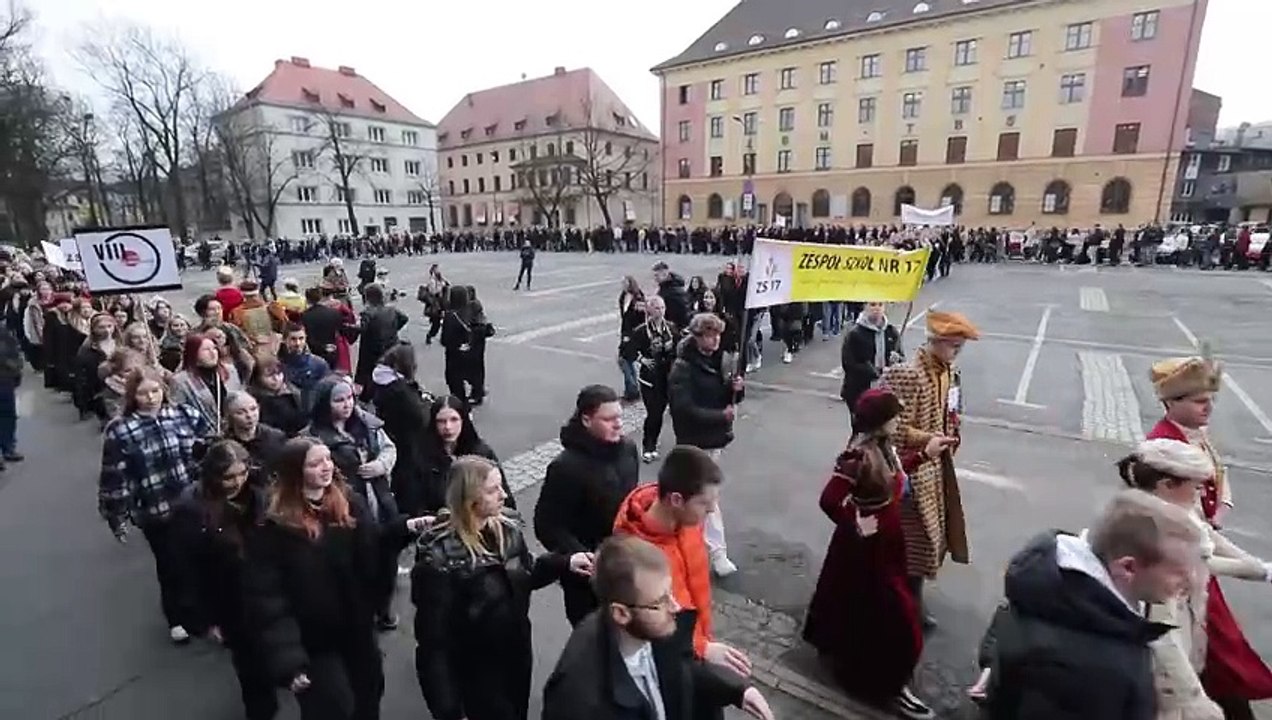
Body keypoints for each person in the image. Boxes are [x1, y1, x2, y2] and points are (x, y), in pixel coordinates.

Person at [983, 490, 1201, 720]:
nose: (1192, 583)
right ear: (1128, 568)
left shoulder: (1052, 586)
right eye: (1179, 573)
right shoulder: (1088, 668)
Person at [412, 455, 594, 720]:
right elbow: (432, 644)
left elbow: (525, 576)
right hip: (474, 666)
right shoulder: (439, 556)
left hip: (516, 651)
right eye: (492, 490)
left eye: (501, 486)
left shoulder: (507, 529)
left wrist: (564, 563)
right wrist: (448, 710)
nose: (504, 494)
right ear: (469, 496)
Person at [1116, 439, 1272, 720]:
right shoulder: (1155, 534)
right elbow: (1162, 637)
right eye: (1197, 486)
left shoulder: (1175, 510)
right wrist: (1195, 700)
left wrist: (1260, 567)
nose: (1202, 494)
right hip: (1165, 684)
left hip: (1187, 648)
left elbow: (1208, 539)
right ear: (1166, 485)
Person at [542, 535, 776, 720]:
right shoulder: (580, 699)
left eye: (670, 594)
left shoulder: (649, 626)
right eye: (659, 601)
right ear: (621, 613)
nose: (674, 607)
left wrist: (737, 690)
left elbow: (680, 670)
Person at [803, 389, 931, 718]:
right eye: (894, 417)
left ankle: (872, 669)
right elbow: (830, 500)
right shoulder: (856, 456)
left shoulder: (883, 448)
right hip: (867, 547)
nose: (898, 421)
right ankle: (886, 681)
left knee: (860, 605)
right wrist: (858, 524)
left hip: (888, 540)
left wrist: (923, 455)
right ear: (880, 422)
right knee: (895, 616)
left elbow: (890, 479)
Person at [243, 437, 384, 720]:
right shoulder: (275, 527)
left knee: (368, 694)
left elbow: (372, 555)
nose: (326, 468)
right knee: (333, 707)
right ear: (297, 472)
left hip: (356, 629)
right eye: (315, 463)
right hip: (313, 642)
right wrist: (289, 660)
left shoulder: (349, 505)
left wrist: (401, 531)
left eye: (328, 459)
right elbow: (268, 599)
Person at [613, 446, 751, 677]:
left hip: (697, 642)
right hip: (671, 661)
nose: (711, 511)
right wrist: (700, 647)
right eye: (704, 504)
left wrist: (704, 640)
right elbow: (651, 623)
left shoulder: (687, 521)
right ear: (676, 500)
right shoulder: (635, 554)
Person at [98, 367, 211, 643]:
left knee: (201, 559)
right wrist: (116, 515)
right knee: (171, 564)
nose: (150, 398)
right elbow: (114, 476)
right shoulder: (122, 430)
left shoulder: (183, 415)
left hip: (193, 503)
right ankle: (177, 617)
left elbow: (211, 445)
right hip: (156, 509)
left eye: (155, 391)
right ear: (132, 396)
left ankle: (205, 612)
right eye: (143, 393)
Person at [881, 310, 975, 629]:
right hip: (909, 474)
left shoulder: (949, 372)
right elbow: (891, 431)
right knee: (912, 546)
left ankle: (911, 604)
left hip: (936, 470)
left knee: (927, 547)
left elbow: (951, 412)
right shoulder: (908, 374)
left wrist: (952, 431)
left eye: (960, 348)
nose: (956, 353)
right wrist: (928, 440)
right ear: (935, 341)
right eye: (953, 346)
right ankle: (904, 610)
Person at [171, 440, 277, 720]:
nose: (236, 482)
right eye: (228, 477)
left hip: (267, 590)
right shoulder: (192, 509)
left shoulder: (259, 492)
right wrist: (205, 620)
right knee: (251, 665)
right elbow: (186, 570)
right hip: (230, 599)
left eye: (241, 474)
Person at [535, 385, 640, 625]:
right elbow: (547, 524)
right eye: (608, 419)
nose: (618, 425)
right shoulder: (566, 467)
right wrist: (580, 555)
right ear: (586, 420)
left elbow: (631, 500)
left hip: (624, 564)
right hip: (586, 579)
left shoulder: (628, 450)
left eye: (619, 417)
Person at [305, 376, 405, 631]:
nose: (347, 404)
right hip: (347, 510)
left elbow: (389, 447)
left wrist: (380, 464)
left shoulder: (366, 424)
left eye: (349, 398)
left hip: (380, 502)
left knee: (386, 561)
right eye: (339, 400)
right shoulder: (315, 437)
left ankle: (383, 608)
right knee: (358, 565)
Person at [667, 312, 743, 577]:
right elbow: (682, 407)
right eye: (710, 335)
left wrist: (737, 388)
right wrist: (719, 416)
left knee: (694, 495)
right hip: (694, 440)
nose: (715, 340)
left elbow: (727, 396)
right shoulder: (683, 367)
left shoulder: (719, 361)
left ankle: (682, 541)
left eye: (718, 335)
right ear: (698, 336)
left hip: (715, 440)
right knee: (706, 496)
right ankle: (717, 553)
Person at [1146, 355, 1231, 526]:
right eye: (1200, 402)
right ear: (1171, 403)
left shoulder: (1198, 433)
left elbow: (1219, 474)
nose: (1209, 408)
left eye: (1211, 400)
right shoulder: (1163, 445)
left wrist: (1220, 511)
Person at [398, 394, 512, 518]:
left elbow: (503, 496)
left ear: (463, 420)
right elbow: (411, 503)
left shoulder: (481, 452)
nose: (448, 427)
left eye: (454, 420)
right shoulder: (419, 456)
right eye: (441, 421)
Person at [631, 296, 678, 463]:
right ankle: (648, 445)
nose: (660, 311)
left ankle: (654, 440)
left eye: (662, 307)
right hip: (650, 379)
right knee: (654, 412)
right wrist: (641, 359)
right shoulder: (641, 331)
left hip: (667, 376)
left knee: (662, 412)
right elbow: (627, 350)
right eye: (657, 308)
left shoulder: (671, 328)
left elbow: (677, 349)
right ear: (649, 310)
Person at [840, 301, 903, 419]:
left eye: (880, 305)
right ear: (865, 307)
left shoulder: (891, 332)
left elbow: (901, 357)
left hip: (884, 389)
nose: (877, 309)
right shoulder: (855, 333)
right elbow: (849, 363)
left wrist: (897, 359)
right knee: (862, 426)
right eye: (873, 305)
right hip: (860, 389)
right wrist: (874, 373)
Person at [170, 333, 242, 434]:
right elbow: (179, 414)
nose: (213, 353)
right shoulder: (181, 381)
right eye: (206, 350)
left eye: (214, 348)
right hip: (205, 435)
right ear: (194, 353)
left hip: (235, 430)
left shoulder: (229, 371)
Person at [222, 391, 287, 489]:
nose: (249, 415)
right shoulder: (223, 443)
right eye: (240, 412)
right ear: (229, 416)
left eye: (253, 409)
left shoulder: (276, 437)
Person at [353, 284, 407, 401]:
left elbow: (362, 328)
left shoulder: (368, 313)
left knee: (369, 373)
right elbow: (404, 318)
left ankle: (367, 397)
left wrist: (349, 326)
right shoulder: (391, 310)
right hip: (391, 345)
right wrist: (393, 330)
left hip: (371, 348)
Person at [247, 355, 308, 437]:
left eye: (278, 374)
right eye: (269, 375)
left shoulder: (293, 393)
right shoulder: (252, 399)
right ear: (258, 377)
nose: (276, 379)